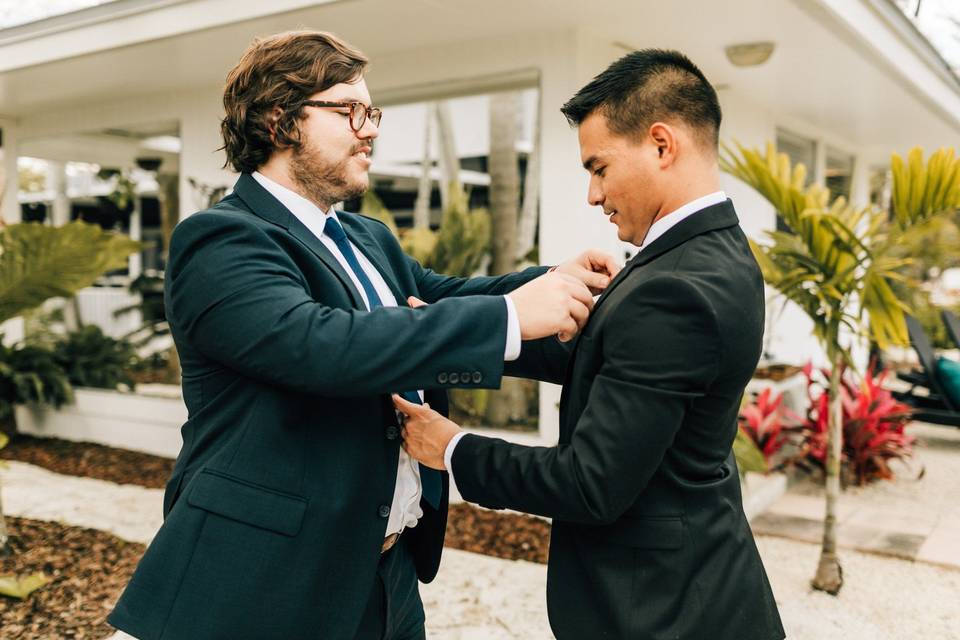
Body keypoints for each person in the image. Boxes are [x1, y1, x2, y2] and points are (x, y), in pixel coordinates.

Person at [108, 30, 619, 640]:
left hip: (386, 572)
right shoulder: (220, 240)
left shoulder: (366, 236)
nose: (370, 128)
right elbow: (321, 345)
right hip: (269, 580)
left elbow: (443, 300)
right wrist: (511, 317)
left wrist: (566, 286)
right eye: (349, 109)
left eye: (371, 112)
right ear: (279, 120)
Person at [395, 49, 785, 640]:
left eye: (598, 168)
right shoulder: (710, 254)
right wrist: (458, 331)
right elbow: (600, 356)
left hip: (664, 611)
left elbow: (589, 483)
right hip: (695, 588)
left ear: (661, 144)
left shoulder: (676, 287)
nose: (592, 194)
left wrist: (452, 448)